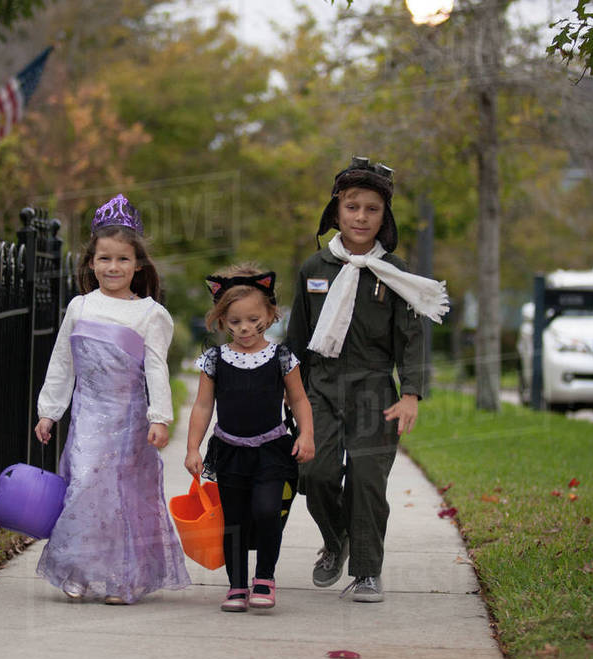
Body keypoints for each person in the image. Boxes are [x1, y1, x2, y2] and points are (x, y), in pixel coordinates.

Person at [286, 158, 449, 602]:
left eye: (372, 209)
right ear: (336, 212)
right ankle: (335, 540)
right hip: (320, 385)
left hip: (374, 390)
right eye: (352, 207)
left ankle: (367, 569)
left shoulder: (395, 274)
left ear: (385, 216)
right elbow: (297, 337)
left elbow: (411, 339)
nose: (361, 217)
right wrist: (288, 392)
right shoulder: (314, 268)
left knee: (366, 480)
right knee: (315, 473)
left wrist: (411, 393)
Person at [34, 194, 191, 605]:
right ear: (90, 262)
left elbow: (156, 368)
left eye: (123, 259)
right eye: (104, 259)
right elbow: (62, 363)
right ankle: (80, 570)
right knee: (83, 487)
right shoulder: (80, 307)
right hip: (87, 417)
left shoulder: (150, 314)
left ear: (138, 264)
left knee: (120, 497)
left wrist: (160, 417)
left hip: (128, 421)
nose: (113, 267)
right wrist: (49, 412)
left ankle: (124, 579)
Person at [185, 265, 315, 612]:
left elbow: (300, 399)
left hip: (271, 449)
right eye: (236, 321)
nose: (245, 328)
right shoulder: (215, 359)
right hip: (229, 451)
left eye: (253, 319)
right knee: (234, 520)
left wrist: (306, 435)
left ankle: (265, 578)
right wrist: (192, 448)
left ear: (270, 315)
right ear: (222, 320)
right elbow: (202, 406)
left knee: (267, 510)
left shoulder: (282, 357)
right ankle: (237, 586)